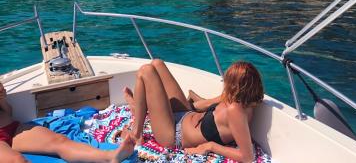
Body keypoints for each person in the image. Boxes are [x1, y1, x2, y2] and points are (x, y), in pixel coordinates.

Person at [123, 60, 263, 163]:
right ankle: (140, 107)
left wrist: (210, 146)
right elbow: (211, 104)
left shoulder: (235, 110)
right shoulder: (238, 99)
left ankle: (136, 133)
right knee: (157, 64)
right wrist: (194, 103)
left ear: (235, 85)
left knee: (146, 71)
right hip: (185, 114)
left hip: (173, 134)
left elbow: (247, 157)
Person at [0, 82, 134, 163]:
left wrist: (2, 97)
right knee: (18, 160)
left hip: (13, 129)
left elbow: (7, 112)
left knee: (59, 141)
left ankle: (110, 157)